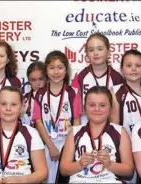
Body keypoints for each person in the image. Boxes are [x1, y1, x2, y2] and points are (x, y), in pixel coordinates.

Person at [0, 86, 48, 183]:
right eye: (3, 104)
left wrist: (21, 180)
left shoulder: (32, 133)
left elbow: (42, 172)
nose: (8, 108)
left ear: (21, 107)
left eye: (13, 104)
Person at [60, 86, 134, 183]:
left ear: (110, 108)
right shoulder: (74, 132)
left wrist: (110, 164)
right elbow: (63, 170)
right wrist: (80, 164)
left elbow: (129, 171)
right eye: (91, 105)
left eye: (102, 105)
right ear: (84, 108)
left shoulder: (120, 132)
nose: (97, 109)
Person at [33, 50, 83, 183]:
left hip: (68, 143)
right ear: (46, 70)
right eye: (51, 68)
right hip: (47, 144)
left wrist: (69, 147)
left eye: (60, 68)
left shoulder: (73, 93)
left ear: (66, 70)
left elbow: (77, 121)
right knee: (47, 178)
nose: (56, 72)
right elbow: (38, 122)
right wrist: (51, 147)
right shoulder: (39, 94)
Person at [72, 33, 124, 124]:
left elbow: (120, 109)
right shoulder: (81, 77)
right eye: (91, 50)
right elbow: (76, 108)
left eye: (100, 49)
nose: (95, 53)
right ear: (87, 56)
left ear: (108, 53)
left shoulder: (117, 78)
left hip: (110, 124)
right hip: (86, 125)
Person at [111, 49, 141, 135]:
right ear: (121, 69)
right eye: (129, 65)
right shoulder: (115, 92)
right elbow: (114, 124)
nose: (133, 69)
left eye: (138, 65)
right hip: (126, 143)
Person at [21, 61, 47, 127]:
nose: (37, 83)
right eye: (33, 80)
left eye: (40, 79)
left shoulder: (53, 97)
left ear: (46, 79)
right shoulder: (23, 100)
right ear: (29, 81)